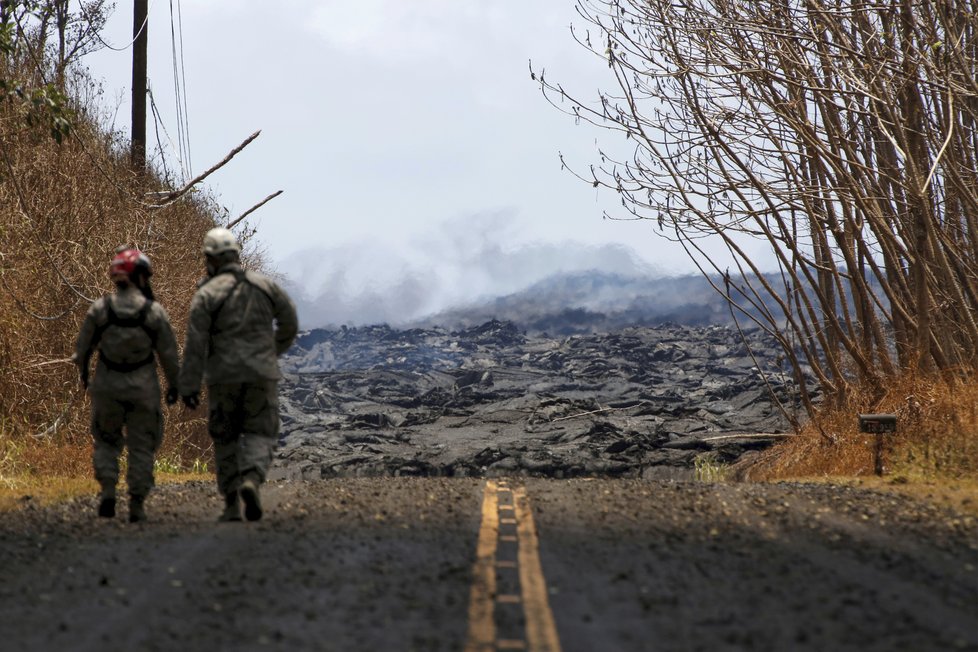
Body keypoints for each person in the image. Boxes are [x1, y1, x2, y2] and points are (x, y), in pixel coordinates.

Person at [179, 227, 298, 522]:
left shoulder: (205, 294)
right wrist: (272, 351)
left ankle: (231, 504)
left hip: (223, 376)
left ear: (210, 259)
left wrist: (190, 384)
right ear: (236, 255)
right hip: (261, 372)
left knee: (225, 437)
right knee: (262, 430)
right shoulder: (265, 285)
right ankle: (252, 479)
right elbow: (290, 321)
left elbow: (196, 344)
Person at [74, 248, 180, 523]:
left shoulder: (100, 309)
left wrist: (85, 375)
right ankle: (136, 503)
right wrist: (174, 385)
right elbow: (168, 354)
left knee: (106, 441)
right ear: (141, 277)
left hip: (107, 384)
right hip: (143, 386)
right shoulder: (153, 312)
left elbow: (82, 350)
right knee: (142, 445)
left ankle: (108, 490)